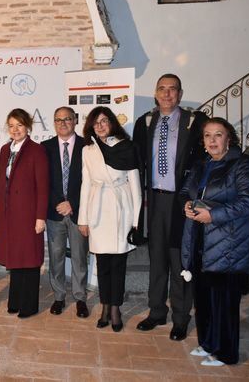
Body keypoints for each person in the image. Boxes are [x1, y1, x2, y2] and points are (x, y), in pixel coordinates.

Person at [133, 73, 208, 341]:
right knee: (157, 260)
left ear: (180, 93)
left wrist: (193, 195)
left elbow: (202, 161)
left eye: (172, 89)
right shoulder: (145, 122)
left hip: (181, 201)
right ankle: (156, 312)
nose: (167, 94)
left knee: (179, 261)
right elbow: (137, 161)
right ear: (155, 93)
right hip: (154, 200)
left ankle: (180, 317)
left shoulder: (195, 122)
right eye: (162, 89)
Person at [180, 118, 249, 366]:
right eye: (207, 136)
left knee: (223, 304)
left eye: (218, 135)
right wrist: (187, 204)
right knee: (203, 299)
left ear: (229, 139)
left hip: (229, 244)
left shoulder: (241, 165)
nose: (212, 140)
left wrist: (212, 215)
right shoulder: (201, 164)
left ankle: (226, 353)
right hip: (201, 241)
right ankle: (207, 344)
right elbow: (187, 191)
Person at [78, 107, 141, 332]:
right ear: (91, 127)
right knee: (102, 264)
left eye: (105, 121)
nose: (101, 126)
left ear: (112, 123)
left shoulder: (126, 146)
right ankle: (105, 306)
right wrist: (82, 219)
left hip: (121, 208)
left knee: (118, 264)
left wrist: (137, 219)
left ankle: (115, 309)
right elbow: (85, 184)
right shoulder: (87, 150)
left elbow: (135, 184)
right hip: (97, 209)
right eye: (96, 123)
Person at [0, 108, 49, 318]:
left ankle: (29, 305)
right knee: (14, 258)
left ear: (27, 126)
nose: (15, 129)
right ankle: (15, 300)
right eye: (12, 125)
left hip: (28, 214)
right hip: (8, 215)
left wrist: (40, 217)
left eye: (20, 125)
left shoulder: (36, 150)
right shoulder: (5, 150)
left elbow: (43, 186)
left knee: (30, 259)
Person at [41, 107, 89, 318]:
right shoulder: (45, 147)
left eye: (67, 119)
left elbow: (91, 181)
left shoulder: (88, 146)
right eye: (58, 120)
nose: (63, 123)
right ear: (54, 123)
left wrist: (73, 203)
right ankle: (59, 296)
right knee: (56, 257)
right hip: (54, 213)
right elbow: (43, 182)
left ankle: (80, 298)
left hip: (79, 213)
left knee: (79, 258)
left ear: (75, 120)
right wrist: (59, 203)